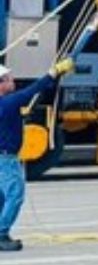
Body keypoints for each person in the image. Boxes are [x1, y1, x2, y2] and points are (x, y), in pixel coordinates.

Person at [1, 57, 75, 252]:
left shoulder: (6, 104)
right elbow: (32, 91)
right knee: (15, 195)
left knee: (2, 196)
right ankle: (1, 234)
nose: (13, 81)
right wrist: (53, 73)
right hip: (6, 159)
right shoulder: (9, 102)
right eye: (8, 78)